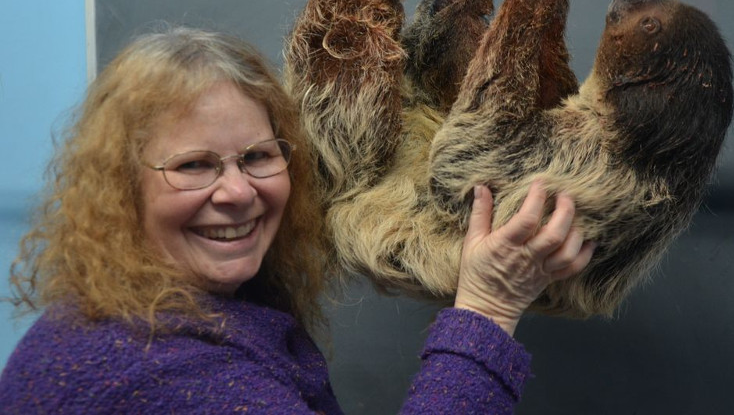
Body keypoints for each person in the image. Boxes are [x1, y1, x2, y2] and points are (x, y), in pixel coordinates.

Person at [0, 27, 595, 413]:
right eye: (193, 165)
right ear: (120, 189)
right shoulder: (168, 371)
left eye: (258, 156)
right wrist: (488, 309)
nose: (238, 191)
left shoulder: (114, 312)